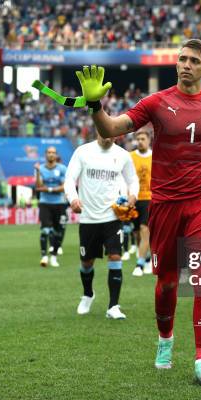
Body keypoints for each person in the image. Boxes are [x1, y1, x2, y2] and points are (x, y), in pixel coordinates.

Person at [74, 39, 201, 385]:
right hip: (165, 205)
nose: (186, 64)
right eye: (182, 59)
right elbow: (111, 128)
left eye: (194, 60)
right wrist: (94, 105)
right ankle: (165, 340)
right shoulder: (157, 102)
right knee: (166, 284)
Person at [63, 131, 139, 320]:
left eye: (111, 133)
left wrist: (132, 195)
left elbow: (133, 180)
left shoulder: (122, 155)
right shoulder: (83, 152)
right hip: (88, 217)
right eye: (103, 131)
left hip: (113, 216)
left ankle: (113, 306)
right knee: (87, 262)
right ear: (97, 130)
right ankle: (88, 294)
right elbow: (70, 180)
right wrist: (73, 199)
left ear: (117, 135)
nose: (107, 136)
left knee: (115, 256)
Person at [35, 147, 67, 268]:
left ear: (56, 155)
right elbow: (38, 186)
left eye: (53, 152)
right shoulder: (40, 168)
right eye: (49, 152)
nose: (51, 155)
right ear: (45, 155)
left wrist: (48, 189)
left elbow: (64, 187)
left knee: (58, 232)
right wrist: (37, 172)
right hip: (45, 203)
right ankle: (44, 256)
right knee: (45, 230)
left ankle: (54, 256)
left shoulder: (62, 168)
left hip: (60, 203)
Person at [130, 130, 153, 277]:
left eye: (143, 138)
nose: (140, 141)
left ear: (149, 140)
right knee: (137, 233)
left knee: (145, 229)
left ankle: (139, 264)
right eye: (138, 139)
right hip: (134, 198)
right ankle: (147, 258)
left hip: (150, 198)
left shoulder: (154, 156)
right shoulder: (130, 156)